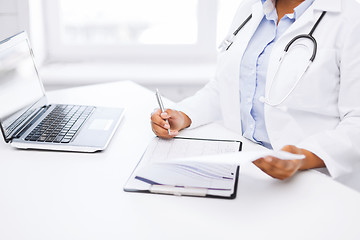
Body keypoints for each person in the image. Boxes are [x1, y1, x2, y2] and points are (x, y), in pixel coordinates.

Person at [150, 0, 360, 180]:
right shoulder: (251, 7)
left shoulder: (351, 18)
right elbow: (224, 87)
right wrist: (183, 115)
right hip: (243, 167)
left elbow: (356, 121)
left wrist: (303, 156)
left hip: (311, 179)